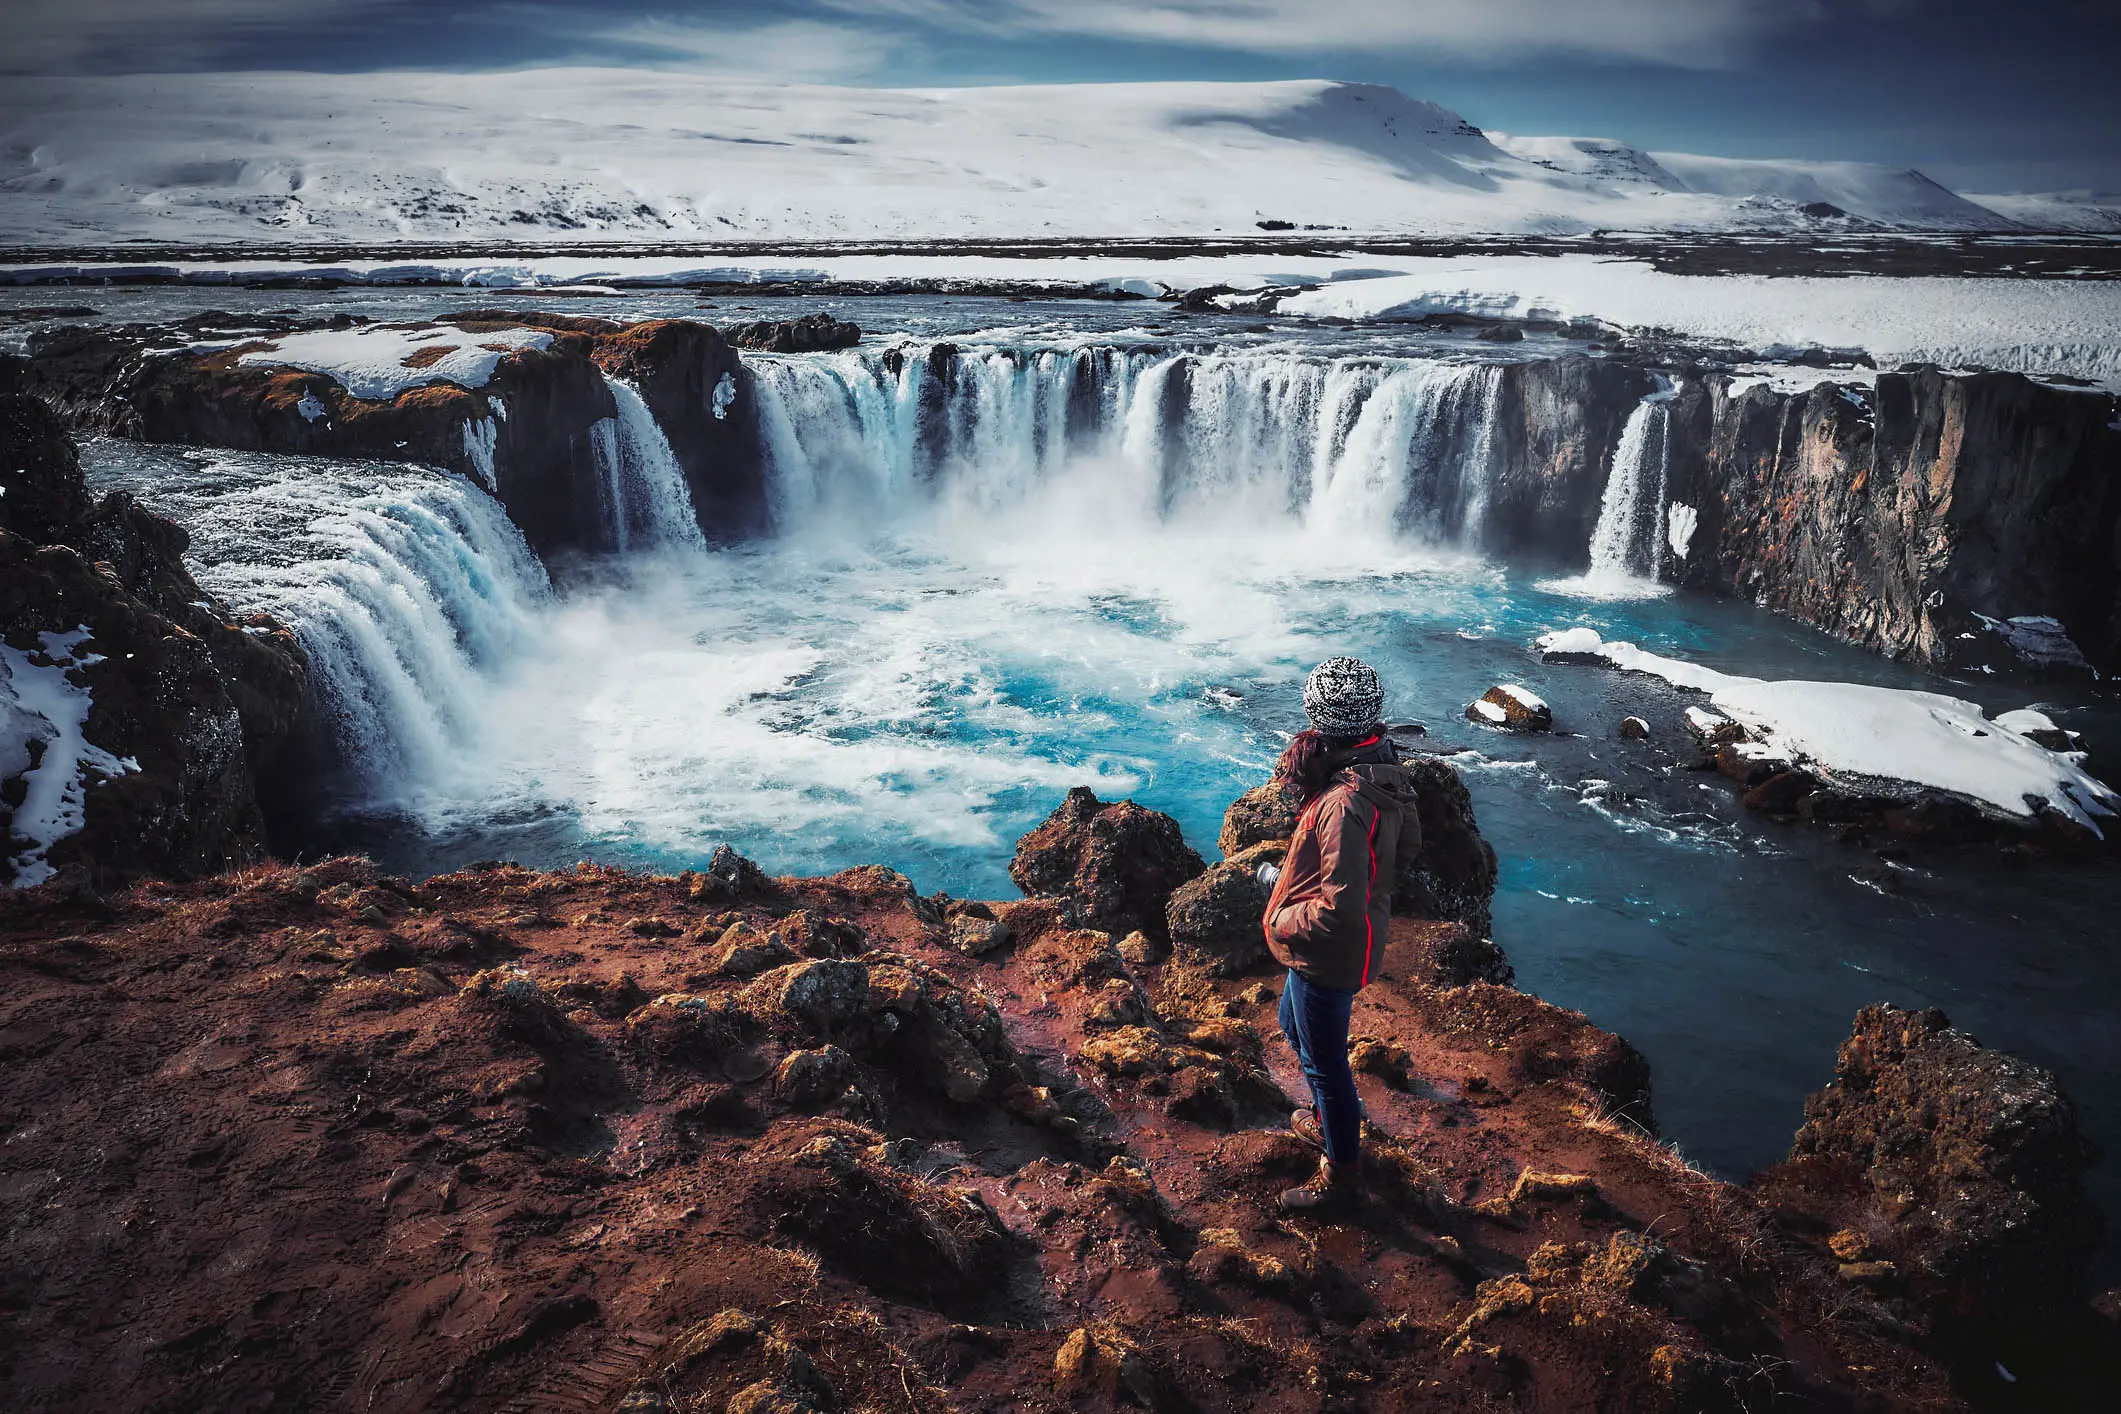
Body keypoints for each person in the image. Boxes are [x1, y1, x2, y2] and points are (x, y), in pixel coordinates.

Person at [1259, 656, 1420, 1211]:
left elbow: (1338, 910)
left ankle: (1342, 1177)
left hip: (1330, 953)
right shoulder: (1383, 769)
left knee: (1326, 1064)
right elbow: (1408, 849)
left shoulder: (1342, 800)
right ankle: (1332, 1122)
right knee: (1292, 1026)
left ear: (1319, 715)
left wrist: (1282, 916)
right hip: (1349, 944)